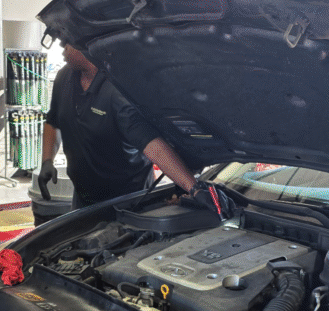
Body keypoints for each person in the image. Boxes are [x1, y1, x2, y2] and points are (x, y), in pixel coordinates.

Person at [38, 43, 214, 209]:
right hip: (83, 200)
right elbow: (53, 121)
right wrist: (47, 161)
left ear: (85, 47)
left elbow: (152, 145)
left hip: (128, 202)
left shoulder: (117, 91)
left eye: (67, 42)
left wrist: (194, 189)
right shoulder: (64, 77)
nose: (62, 46)